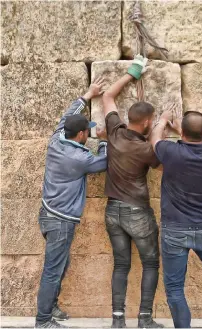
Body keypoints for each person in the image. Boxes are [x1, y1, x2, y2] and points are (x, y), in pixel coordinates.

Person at [150, 109, 202, 328]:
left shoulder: (171, 152)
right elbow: (191, 138)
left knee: (175, 287)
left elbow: (155, 140)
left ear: (183, 132)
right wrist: (182, 126)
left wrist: (162, 121)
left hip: (175, 230)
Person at [35, 78, 108, 328]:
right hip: (61, 221)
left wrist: (87, 95)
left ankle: (51, 306)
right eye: (88, 130)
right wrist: (106, 140)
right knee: (53, 270)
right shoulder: (81, 158)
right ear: (80, 134)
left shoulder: (56, 138)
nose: (89, 133)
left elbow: (69, 114)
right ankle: (43, 320)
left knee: (60, 263)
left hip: (48, 214)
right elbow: (105, 162)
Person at [102, 55, 164, 329]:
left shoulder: (115, 132)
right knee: (150, 264)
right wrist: (160, 129)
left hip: (112, 211)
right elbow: (160, 165)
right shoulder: (146, 149)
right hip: (137, 212)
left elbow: (107, 96)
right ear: (148, 122)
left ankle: (118, 321)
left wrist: (133, 72)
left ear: (130, 119)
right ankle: (144, 319)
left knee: (120, 265)